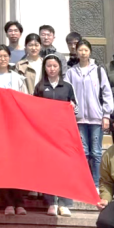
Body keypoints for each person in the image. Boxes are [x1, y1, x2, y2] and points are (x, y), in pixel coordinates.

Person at [0, 45, 28, 215]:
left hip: (15, 125)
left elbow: (25, 101)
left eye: (5, 56)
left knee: (17, 164)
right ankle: (7, 202)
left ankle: (19, 202)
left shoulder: (18, 78)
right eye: (0, 56)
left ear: (9, 58)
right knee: (2, 164)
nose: (3, 59)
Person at [66, 38, 113, 188]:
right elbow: (67, 93)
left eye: (86, 50)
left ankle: (97, 184)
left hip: (96, 117)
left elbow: (107, 93)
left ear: (90, 52)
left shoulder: (98, 70)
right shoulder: (71, 72)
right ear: (76, 52)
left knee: (96, 152)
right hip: (78, 118)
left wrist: (106, 115)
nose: (83, 53)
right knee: (83, 152)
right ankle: (84, 184)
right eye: (80, 50)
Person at [34, 54, 76, 217]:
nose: (51, 69)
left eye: (54, 66)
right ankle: (51, 202)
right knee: (49, 168)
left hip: (63, 132)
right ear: (44, 68)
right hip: (45, 133)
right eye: (48, 66)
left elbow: (76, 108)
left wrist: (72, 107)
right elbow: (34, 108)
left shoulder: (67, 87)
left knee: (64, 167)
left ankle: (64, 203)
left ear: (60, 68)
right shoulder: (39, 87)